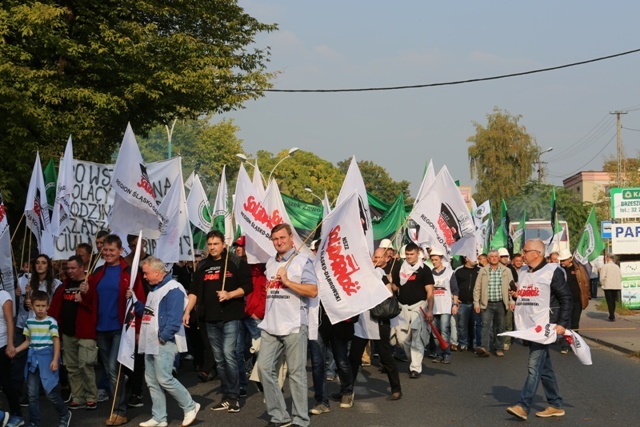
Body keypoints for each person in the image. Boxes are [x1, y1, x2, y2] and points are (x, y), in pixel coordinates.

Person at [183, 230, 253, 413]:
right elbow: (194, 290)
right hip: (209, 318)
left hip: (231, 316)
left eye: (216, 243)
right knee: (220, 359)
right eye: (210, 244)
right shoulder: (203, 265)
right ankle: (227, 393)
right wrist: (188, 310)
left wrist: (230, 294)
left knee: (229, 354)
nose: (212, 247)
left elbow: (248, 286)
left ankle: (234, 397)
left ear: (224, 244)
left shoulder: (235, 262)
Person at [257, 223, 317, 427]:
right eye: (275, 239)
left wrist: (288, 282)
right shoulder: (270, 264)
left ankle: (300, 420)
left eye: (282, 238)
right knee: (264, 369)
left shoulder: (303, 261)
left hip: (294, 325)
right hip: (270, 325)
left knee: (297, 374)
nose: (279, 242)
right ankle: (279, 416)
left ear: (291, 238)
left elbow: (312, 291)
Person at [506, 239, 572, 420]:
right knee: (545, 368)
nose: (522, 254)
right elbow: (530, 293)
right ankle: (556, 404)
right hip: (529, 325)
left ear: (537, 253)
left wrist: (562, 323)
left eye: (525, 251)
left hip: (546, 326)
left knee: (534, 366)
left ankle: (523, 405)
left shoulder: (553, 271)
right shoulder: (525, 271)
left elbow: (566, 298)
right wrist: (518, 294)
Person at [90, 234, 146, 426]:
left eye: (111, 250)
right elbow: (91, 301)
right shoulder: (98, 272)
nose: (107, 253)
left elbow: (141, 303)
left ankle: (119, 411)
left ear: (120, 250)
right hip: (101, 328)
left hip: (120, 328)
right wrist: (84, 293)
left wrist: (138, 330)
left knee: (114, 370)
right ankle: (119, 405)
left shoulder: (130, 272)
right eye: (105, 250)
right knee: (109, 370)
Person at [137, 257, 200, 427]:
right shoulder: (156, 288)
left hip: (163, 341)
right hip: (151, 341)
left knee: (164, 378)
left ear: (157, 272)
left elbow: (174, 318)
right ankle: (159, 417)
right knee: (151, 381)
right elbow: (150, 312)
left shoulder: (173, 288)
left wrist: (163, 336)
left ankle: (190, 405)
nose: (144, 276)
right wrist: (136, 304)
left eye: (146, 273)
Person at [12, 291, 72, 427]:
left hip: (47, 358)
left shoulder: (51, 322)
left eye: (43, 306)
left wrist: (55, 360)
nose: (40, 309)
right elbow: (28, 341)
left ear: (48, 307)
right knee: (32, 394)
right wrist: (16, 350)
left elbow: (56, 341)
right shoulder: (29, 322)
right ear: (32, 306)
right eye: (37, 305)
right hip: (33, 360)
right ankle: (34, 421)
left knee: (50, 392)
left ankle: (64, 414)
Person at [348, 252, 402, 401]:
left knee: (385, 357)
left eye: (377, 258)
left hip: (378, 322)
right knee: (353, 358)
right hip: (362, 322)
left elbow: (389, 294)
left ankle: (396, 389)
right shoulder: (357, 276)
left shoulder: (380, 274)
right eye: (373, 258)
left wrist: (375, 288)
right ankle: (346, 391)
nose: (374, 260)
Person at [49, 255, 99, 410]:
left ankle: (91, 396)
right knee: (71, 367)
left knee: (85, 364)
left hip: (85, 332)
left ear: (81, 268)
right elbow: (56, 307)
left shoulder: (91, 283)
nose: (69, 271)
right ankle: (78, 397)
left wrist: (83, 299)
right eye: (68, 268)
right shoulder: (65, 285)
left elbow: (96, 307)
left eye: (73, 268)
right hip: (68, 333)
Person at [393, 242, 434, 377]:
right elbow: (395, 288)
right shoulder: (399, 268)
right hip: (402, 308)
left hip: (419, 307)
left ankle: (415, 368)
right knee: (401, 339)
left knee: (417, 338)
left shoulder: (425, 270)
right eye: (407, 254)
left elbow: (430, 292)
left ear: (418, 254)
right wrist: (390, 281)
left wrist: (430, 310)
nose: (409, 257)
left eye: (412, 254)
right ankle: (414, 360)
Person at [473, 250, 514, 358]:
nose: (494, 258)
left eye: (496, 256)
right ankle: (484, 348)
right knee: (485, 326)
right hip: (487, 303)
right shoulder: (483, 271)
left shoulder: (506, 271)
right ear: (488, 258)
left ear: (499, 258)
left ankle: (499, 348)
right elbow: (477, 288)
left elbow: (512, 287)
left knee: (500, 327)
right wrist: (476, 303)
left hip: (501, 302)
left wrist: (512, 301)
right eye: (492, 256)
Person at [429, 249, 459, 364]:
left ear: (441, 259)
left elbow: (455, 290)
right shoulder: (430, 274)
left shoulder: (449, 273)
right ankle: (438, 353)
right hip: (434, 307)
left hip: (446, 306)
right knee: (435, 333)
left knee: (444, 331)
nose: (434, 262)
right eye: (432, 260)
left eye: (436, 260)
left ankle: (446, 354)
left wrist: (455, 304)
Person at [558, 249, 590, 354]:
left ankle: (575, 344)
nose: (562, 262)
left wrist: (587, 295)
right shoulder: (559, 270)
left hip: (577, 300)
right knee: (566, 323)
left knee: (575, 323)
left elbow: (585, 282)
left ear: (570, 259)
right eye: (561, 260)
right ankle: (565, 345)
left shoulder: (579, 269)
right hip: (565, 301)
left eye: (563, 260)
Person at [1, 286, 24, 427]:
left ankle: (17, 415)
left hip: (2, 344)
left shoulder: (3, 295)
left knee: (6, 381)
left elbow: (10, 321)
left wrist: (10, 344)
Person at [453, 257, 480, 351]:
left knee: (476, 325)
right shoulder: (459, 271)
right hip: (462, 303)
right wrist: (455, 298)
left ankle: (476, 345)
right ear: (467, 258)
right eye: (473, 256)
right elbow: (453, 285)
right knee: (462, 325)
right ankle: (463, 343)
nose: (476, 259)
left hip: (476, 303)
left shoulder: (480, 270)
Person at [599, 254, 622, 322]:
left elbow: (602, 277)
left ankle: (611, 315)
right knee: (613, 300)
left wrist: (602, 284)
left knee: (609, 301)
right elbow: (620, 276)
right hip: (616, 286)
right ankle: (612, 314)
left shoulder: (605, 266)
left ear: (608, 258)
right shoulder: (616, 266)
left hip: (608, 286)